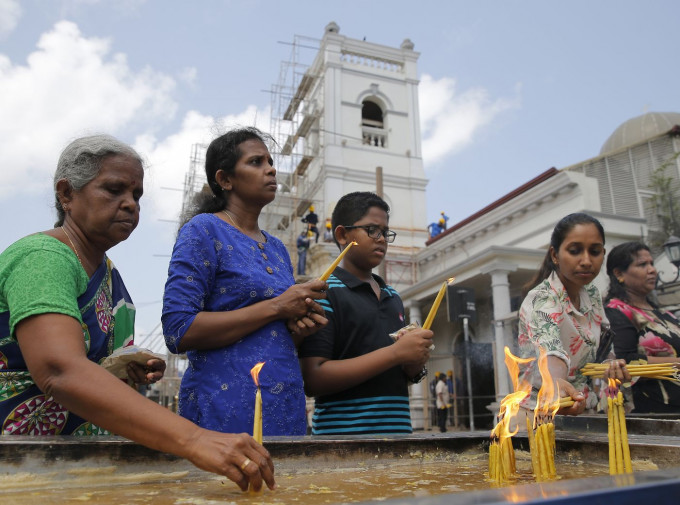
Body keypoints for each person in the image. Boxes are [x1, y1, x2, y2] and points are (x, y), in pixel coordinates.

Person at [0, 134, 275, 491]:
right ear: (66, 194)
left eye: (136, 195)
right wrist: (194, 439)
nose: (130, 204)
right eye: (114, 190)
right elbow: (59, 369)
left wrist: (126, 366)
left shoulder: (111, 277)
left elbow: (89, 368)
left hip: (79, 469)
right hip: (19, 466)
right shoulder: (43, 258)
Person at [162, 127, 328, 437]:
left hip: (284, 406)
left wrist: (300, 330)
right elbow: (178, 329)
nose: (271, 169)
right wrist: (279, 306)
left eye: (270, 161)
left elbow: (270, 337)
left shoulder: (277, 248)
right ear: (225, 179)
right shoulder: (203, 230)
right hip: (223, 412)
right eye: (256, 162)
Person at [298, 191, 434, 435]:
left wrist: (414, 362)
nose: (381, 239)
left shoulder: (393, 297)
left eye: (385, 232)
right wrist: (394, 353)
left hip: (399, 437)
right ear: (341, 234)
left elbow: (399, 374)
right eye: (372, 230)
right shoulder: (325, 292)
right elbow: (313, 379)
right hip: (343, 444)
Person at [518, 213, 629, 416]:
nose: (586, 261)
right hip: (537, 415)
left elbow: (603, 347)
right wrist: (557, 384)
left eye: (594, 252)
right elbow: (551, 351)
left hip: (582, 410)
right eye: (575, 251)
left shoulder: (592, 294)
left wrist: (610, 365)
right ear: (555, 255)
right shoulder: (542, 298)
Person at [604, 241, 680, 413]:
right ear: (618, 273)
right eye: (642, 264)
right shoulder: (616, 311)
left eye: (652, 263)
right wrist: (677, 364)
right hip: (649, 411)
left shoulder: (664, 313)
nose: (652, 270)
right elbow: (624, 361)